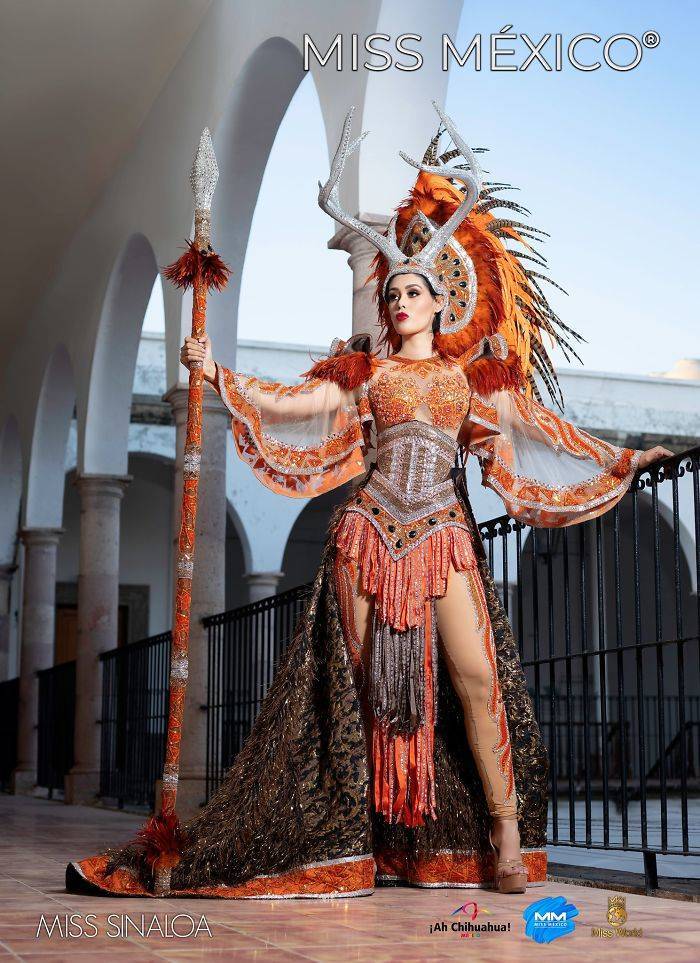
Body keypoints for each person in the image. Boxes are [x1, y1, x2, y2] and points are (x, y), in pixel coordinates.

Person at [66, 102, 671, 899]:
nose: (398, 301)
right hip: (365, 532)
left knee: (476, 678)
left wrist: (627, 458)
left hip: (444, 534)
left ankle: (505, 831)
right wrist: (213, 371)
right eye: (391, 293)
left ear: (441, 302)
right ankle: (357, 839)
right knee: (355, 692)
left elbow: (544, 434)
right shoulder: (367, 374)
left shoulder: (472, 380)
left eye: (412, 290)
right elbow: (291, 404)